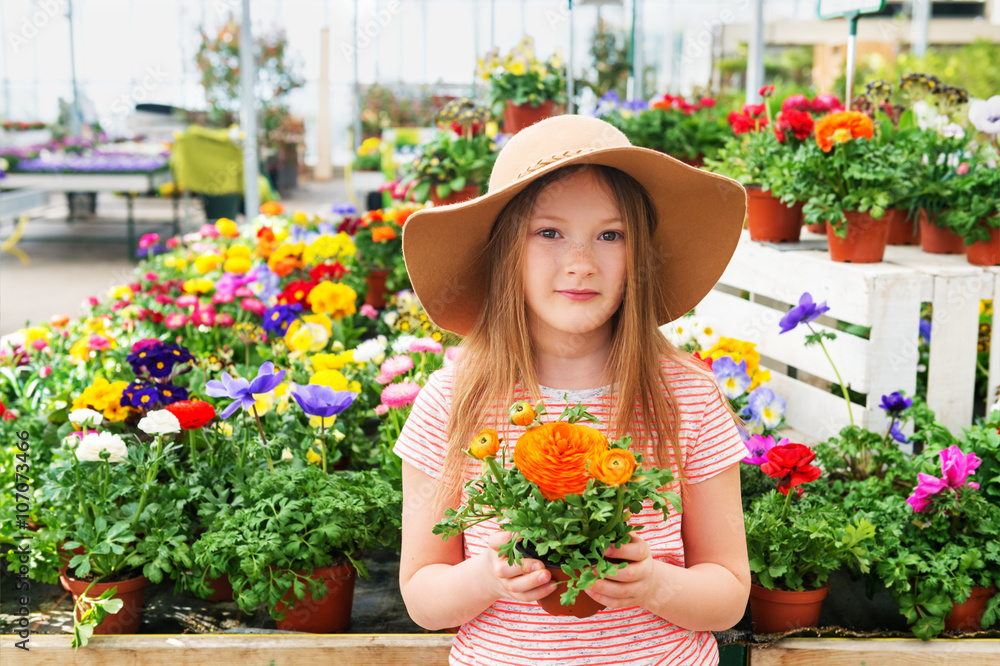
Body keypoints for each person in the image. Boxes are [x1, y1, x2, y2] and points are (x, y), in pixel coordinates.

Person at [395, 114, 750, 665]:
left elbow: (729, 593)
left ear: (639, 257)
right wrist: (489, 577)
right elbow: (422, 595)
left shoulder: (687, 397)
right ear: (505, 252)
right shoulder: (452, 402)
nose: (580, 264)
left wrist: (655, 584)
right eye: (549, 232)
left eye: (610, 235)